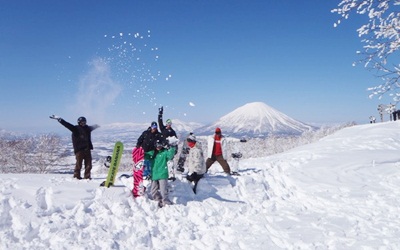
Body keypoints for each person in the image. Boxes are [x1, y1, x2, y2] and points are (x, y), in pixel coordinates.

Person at [50, 115, 99, 180]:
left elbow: (94, 126)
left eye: (84, 122)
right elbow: (66, 124)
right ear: (79, 122)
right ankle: (76, 177)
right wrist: (59, 119)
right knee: (79, 165)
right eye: (82, 122)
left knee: (89, 165)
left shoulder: (87, 128)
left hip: (87, 150)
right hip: (79, 151)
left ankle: (87, 177)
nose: (83, 124)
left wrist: (100, 124)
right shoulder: (75, 129)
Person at [146, 139, 176, 207]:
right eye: (157, 145)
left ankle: (166, 202)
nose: (158, 147)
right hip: (154, 174)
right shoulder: (153, 153)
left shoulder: (164, 152)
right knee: (153, 191)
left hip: (162, 174)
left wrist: (172, 147)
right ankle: (158, 200)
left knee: (163, 191)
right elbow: (146, 156)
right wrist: (140, 152)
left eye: (159, 145)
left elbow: (170, 155)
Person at [158, 106, 178, 180]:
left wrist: (176, 149)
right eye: (168, 123)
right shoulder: (163, 129)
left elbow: (176, 141)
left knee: (170, 162)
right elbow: (159, 121)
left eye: (170, 123)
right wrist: (160, 113)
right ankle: (162, 174)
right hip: (163, 148)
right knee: (162, 162)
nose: (169, 125)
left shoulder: (172, 131)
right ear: (166, 124)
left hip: (170, 149)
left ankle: (171, 175)